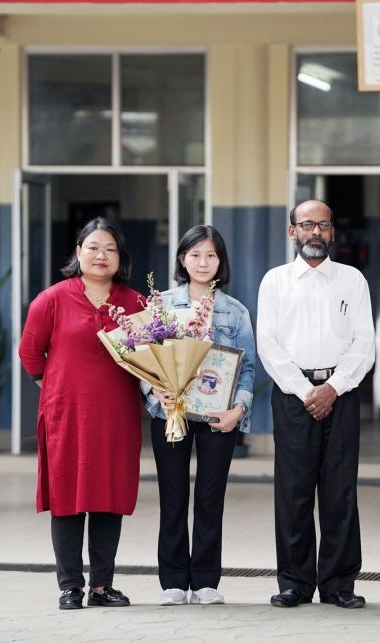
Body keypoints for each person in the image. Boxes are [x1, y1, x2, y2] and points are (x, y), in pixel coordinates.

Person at [18, 217, 143, 610]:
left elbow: (152, 359)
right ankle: (70, 586)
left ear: (120, 256)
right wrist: (57, 387)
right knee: (69, 497)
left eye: (109, 249)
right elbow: (29, 354)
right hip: (66, 415)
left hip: (117, 416)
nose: (101, 255)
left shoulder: (137, 303)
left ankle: (102, 587)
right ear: (78, 253)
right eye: (93, 247)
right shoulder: (51, 299)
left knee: (109, 495)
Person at [257, 200, 375, 609]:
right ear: (292, 231)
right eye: (307, 224)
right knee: (293, 492)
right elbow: (268, 345)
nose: (315, 232)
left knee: (340, 492)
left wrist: (334, 388)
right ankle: (294, 582)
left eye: (323, 225)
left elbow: (365, 343)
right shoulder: (275, 281)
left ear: (332, 232)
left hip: (340, 396)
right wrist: (304, 390)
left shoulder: (352, 280)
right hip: (292, 397)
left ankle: (339, 584)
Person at [142, 225, 255, 607]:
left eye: (211, 255)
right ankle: (173, 580)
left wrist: (237, 409)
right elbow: (142, 360)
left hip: (217, 417)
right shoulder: (160, 305)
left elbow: (249, 368)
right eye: (195, 255)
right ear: (181, 260)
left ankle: (206, 580)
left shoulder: (235, 311)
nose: (203, 262)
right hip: (170, 412)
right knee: (172, 496)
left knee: (210, 497)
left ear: (221, 261)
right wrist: (153, 387)